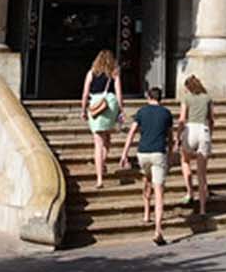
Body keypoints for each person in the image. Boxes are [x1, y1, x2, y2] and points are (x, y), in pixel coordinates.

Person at [118, 87, 174, 246]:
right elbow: (170, 138)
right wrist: (170, 156)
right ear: (160, 98)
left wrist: (124, 154)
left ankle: (146, 213)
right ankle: (158, 230)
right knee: (159, 193)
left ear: (148, 97)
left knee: (146, 180)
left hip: (142, 154)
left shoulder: (141, 112)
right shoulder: (166, 113)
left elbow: (132, 133)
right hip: (158, 153)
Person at [80, 50, 123, 188]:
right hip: (110, 105)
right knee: (107, 138)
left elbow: (85, 93)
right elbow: (119, 93)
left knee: (98, 143)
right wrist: (121, 111)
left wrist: (83, 110)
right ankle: (103, 162)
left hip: (96, 105)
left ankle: (99, 179)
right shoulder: (114, 72)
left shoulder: (91, 72)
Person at [177, 75, 215, 216]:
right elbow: (211, 119)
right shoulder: (207, 97)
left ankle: (189, 192)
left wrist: (177, 137)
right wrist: (210, 135)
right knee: (202, 173)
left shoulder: (186, 98)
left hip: (190, 129)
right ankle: (203, 209)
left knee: (185, 160)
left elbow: (182, 119)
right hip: (203, 130)